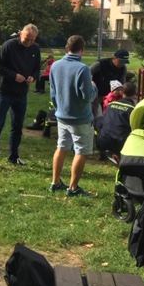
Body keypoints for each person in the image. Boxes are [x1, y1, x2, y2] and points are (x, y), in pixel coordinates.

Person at [0, 24, 41, 172]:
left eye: (32, 40)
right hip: (4, 91)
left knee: (17, 126)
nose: (29, 42)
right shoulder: (9, 45)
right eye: (26, 39)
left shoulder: (35, 49)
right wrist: (13, 75)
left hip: (21, 93)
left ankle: (14, 157)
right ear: (20, 34)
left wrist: (33, 77)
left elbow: (37, 69)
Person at [49, 35, 98, 197]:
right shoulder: (83, 69)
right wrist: (94, 87)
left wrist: (58, 109)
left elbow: (53, 92)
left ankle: (55, 182)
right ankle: (73, 187)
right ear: (82, 50)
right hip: (80, 118)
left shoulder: (55, 65)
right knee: (81, 151)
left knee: (62, 147)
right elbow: (87, 96)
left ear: (66, 47)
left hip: (62, 115)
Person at [96, 81, 137, 165]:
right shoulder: (133, 109)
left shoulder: (111, 105)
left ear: (121, 92)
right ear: (134, 94)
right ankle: (119, 153)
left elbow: (104, 121)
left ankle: (102, 151)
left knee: (99, 121)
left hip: (104, 140)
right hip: (121, 143)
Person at [89, 49, 129, 117]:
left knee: (109, 115)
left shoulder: (123, 68)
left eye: (124, 62)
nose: (122, 64)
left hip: (111, 96)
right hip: (97, 94)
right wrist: (90, 83)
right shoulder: (101, 64)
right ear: (114, 58)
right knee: (94, 113)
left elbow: (122, 83)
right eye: (120, 61)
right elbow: (86, 72)